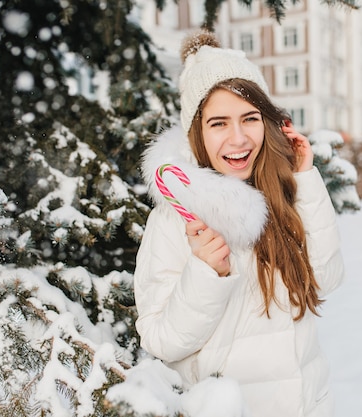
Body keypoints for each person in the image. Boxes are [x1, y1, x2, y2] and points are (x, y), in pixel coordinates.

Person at [134, 30, 345, 417]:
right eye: (218, 123)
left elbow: (325, 278)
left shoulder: (286, 195)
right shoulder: (174, 219)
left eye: (250, 118)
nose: (238, 138)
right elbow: (163, 342)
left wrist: (306, 179)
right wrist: (204, 273)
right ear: (197, 131)